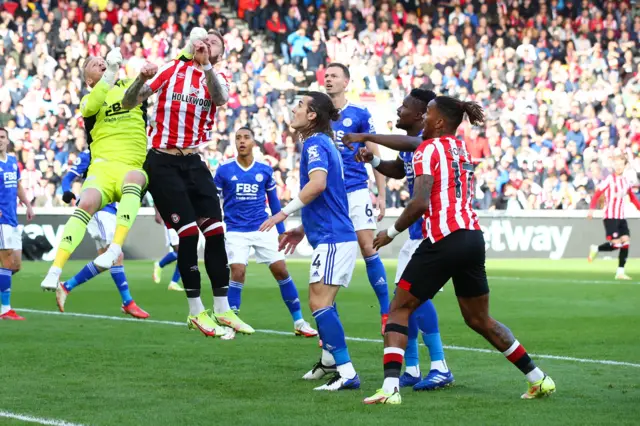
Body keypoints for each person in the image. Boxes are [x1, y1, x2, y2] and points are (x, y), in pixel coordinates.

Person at [363, 96, 555, 405]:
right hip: (471, 238)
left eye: (428, 113)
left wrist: (391, 232)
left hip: (443, 238)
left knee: (399, 308)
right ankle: (538, 378)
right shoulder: (459, 147)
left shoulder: (427, 149)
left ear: (439, 122)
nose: (423, 117)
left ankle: (390, 388)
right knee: (480, 320)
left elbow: (420, 201)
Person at [122, 29, 253, 338]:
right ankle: (196, 312)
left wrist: (207, 66)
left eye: (214, 41)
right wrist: (140, 78)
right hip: (162, 161)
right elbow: (130, 102)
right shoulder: (171, 67)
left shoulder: (219, 77)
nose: (206, 43)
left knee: (217, 232)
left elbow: (219, 98)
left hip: (194, 162)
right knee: (189, 233)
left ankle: (222, 309)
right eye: (203, 39)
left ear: (220, 53)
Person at [352, 89, 453, 391]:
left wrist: (366, 137)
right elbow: (398, 169)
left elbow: (413, 144)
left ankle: (439, 366)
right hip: (418, 232)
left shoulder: (429, 143)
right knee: (403, 300)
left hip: (431, 231)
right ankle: (412, 368)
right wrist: (373, 160)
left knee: (413, 299)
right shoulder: (410, 148)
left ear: (423, 115)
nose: (398, 110)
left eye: (405, 107)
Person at [260, 92, 360, 391]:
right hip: (330, 235)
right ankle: (330, 361)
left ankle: (347, 372)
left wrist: (283, 213)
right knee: (322, 301)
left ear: (313, 114)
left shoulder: (316, 143)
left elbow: (318, 185)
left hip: (333, 237)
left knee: (319, 302)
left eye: (300, 105)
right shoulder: (322, 143)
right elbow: (328, 196)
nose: (294, 108)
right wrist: (303, 228)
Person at [40, 48, 155, 293]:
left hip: (131, 164)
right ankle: (55, 270)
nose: (101, 62)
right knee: (86, 203)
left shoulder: (128, 85)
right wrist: (111, 71)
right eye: (95, 64)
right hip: (102, 169)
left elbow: (151, 87)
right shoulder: (88, 99)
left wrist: (148, 75)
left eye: (103, 61)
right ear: (89, 80)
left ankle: (115, 249)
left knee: (135, 179)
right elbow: (92, 106)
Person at [214, 127, 317, 338]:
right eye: (238, 138)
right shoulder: (224, 171)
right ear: (235, 143)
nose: (242, 141)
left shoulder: (265, 170)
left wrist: (280, 230)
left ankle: (299, 321)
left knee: (281, 271)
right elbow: (214, 201)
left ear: (253, 143)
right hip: (235, 230)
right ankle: (231, 324)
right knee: (238, 271)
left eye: (246, 138)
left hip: (263, 227)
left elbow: (274, 202)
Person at [324, 62, 390, 335]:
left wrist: (381, 194)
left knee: (367, 246)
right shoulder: (317, 116)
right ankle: (328, 321)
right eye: (326, 75)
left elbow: (374, 155)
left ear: (345, 82)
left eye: (334, 76)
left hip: (355, 190)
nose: (328, 79)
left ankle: (387, 311)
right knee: (328, 255)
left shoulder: (359, 114)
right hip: (328, 196)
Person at [56, 150, 149, 318]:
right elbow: (67, 178)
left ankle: (67, 286)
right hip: (100, 209)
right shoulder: (89, 155)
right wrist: (67, 193)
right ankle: (127, 302)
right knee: (115, 254)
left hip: (111, 210)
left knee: (107, 260)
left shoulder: (118, 152)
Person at [587, 155, 640, 279]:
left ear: (625, 166)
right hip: (610, 216)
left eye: (621, 164)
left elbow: (632, 197)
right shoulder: (609, 179)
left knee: (626, 242)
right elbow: (597, 194)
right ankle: (596, 248)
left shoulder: (626, 181)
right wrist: (591, 209)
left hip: (621, 217)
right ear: (613, 166)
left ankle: (620, 272)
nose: (618, 167)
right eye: (616, 164)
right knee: (616, 245)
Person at [0, 127, 34, 320]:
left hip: (13, 219)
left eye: (2, 137)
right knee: (6, 262)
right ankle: (5, 309)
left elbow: (18, 186)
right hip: (1, 219)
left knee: (16, 265)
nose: (0, 140)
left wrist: (28, 204)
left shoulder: (12, 162)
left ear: (7, 140)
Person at [153, 207, 184, 292]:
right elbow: (156, 195)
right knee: (181, 251)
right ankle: (160, 265)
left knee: (184, 253)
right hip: (171, 219)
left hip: (184, 218)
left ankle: (173, 283)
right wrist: (157, 213)